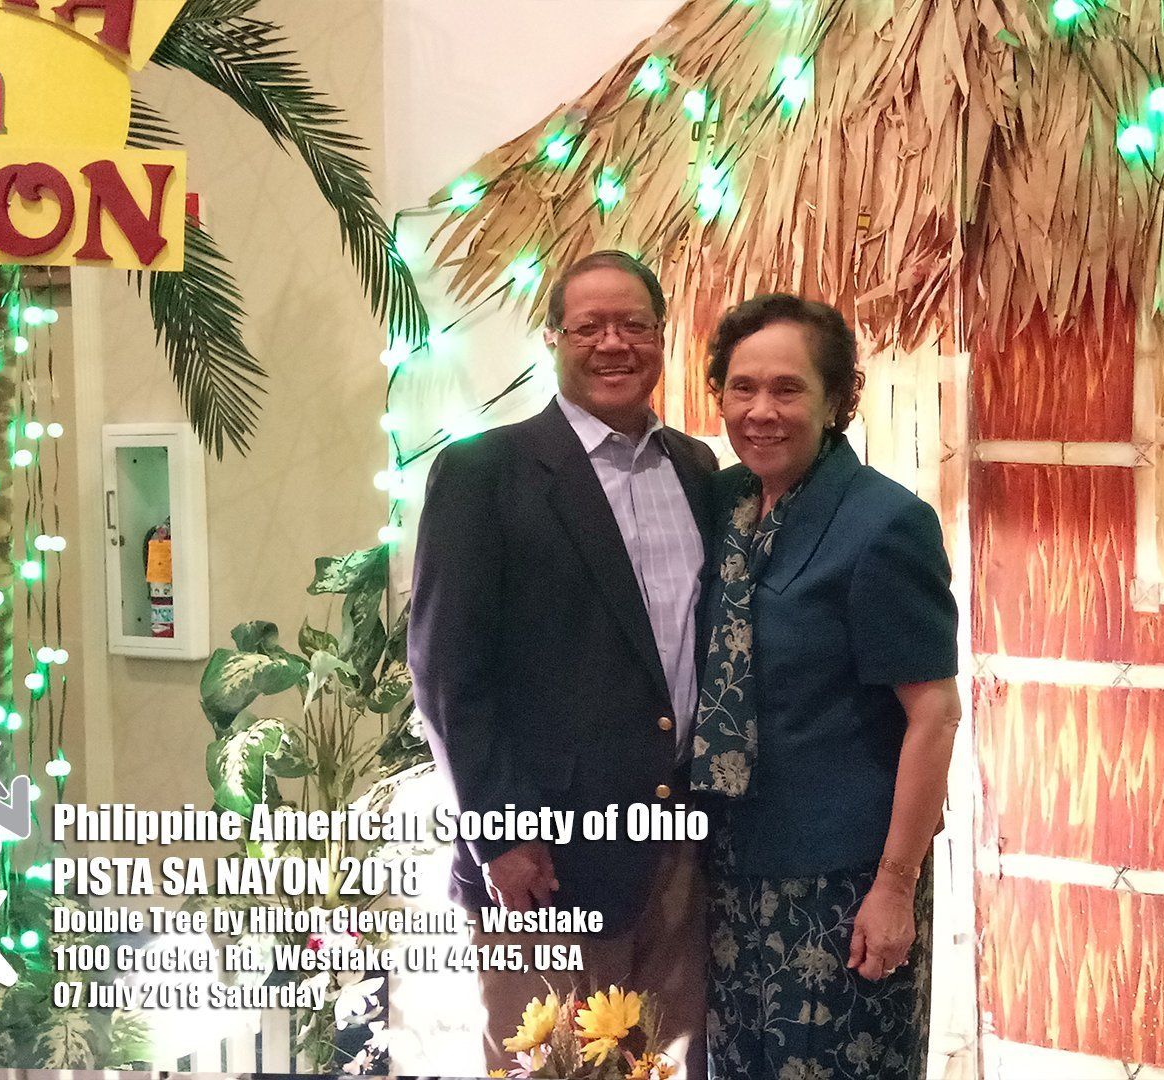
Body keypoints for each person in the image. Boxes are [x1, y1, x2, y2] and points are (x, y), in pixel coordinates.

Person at [408, 251, 718, 1077]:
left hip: (676, 851)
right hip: (545, 860)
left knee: (663, 1062)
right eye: (590, 327)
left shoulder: (696, 469)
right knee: (546, 1067)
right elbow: (446, 675)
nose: (614, 344)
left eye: (634, 325)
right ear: (552, 338)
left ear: (661, 336)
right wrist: (501, 834)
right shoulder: (484, 472)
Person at [693, 294, 963, 1080]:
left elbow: (935, 716)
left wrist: (895, 888)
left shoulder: (884, 524)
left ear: (837, 398)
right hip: (731, 871)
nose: (761, 411)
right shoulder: (725, 506)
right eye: (743, 388)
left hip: (842, 884)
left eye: (788, 389)